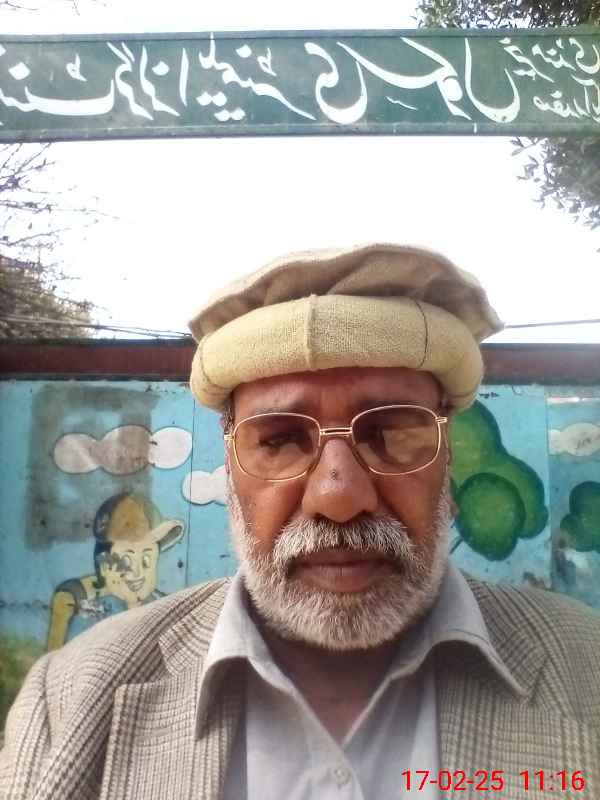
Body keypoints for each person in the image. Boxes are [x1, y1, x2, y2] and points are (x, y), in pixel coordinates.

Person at [1, 243, 599, 799]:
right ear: (231, 464)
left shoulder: (588, 671)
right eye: (281, 439)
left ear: (447, 459)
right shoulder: (75, 698)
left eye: (390, 433)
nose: (339, 498)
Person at [46, 492, 185, 650]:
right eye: (126, 561)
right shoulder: (92, 615)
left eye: (146, 560)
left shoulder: (164, 609)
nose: (137, 572)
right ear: (105, 565)